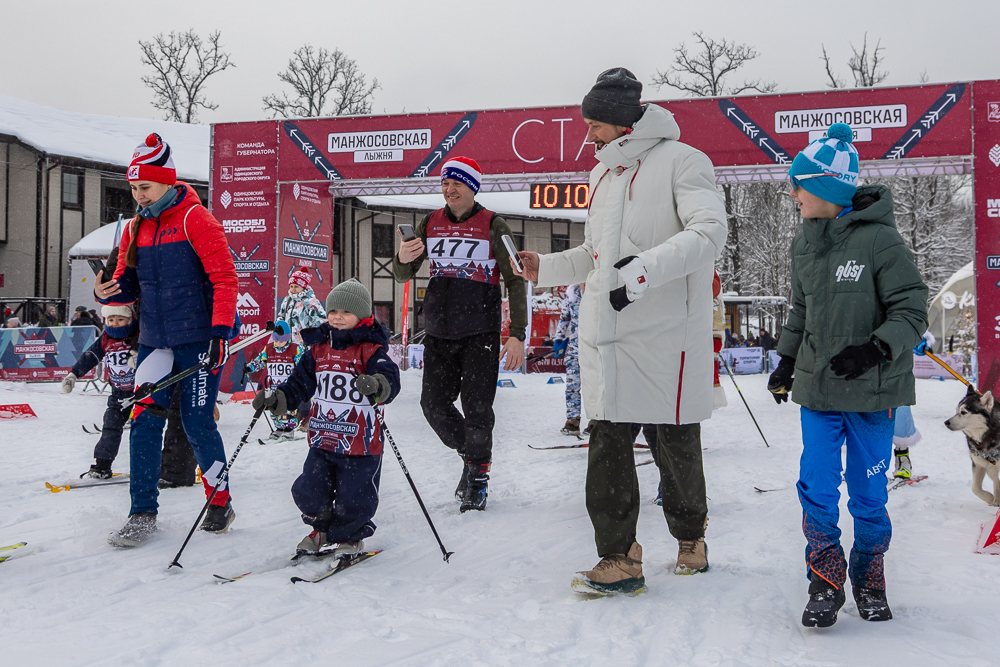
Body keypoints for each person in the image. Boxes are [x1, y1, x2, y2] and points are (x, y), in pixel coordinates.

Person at [512, 68, 728, 595]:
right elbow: (595, 256)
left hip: (664, 336)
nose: (588, 137)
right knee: (606, 444)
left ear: (625, 121)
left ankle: (689, 537)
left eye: (595, 126)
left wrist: (642, 270)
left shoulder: (684, 162)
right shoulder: (602, 178)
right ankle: (619, 556)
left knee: (675, 444)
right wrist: (547, 266)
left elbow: (708, 235)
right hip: (607, 335)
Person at [766, 123, 928, 627]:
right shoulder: (803, 245)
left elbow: (912, 310)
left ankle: (869, 570)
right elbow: (799, 311)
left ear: (827, 189)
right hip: (817, 388)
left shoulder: (881, 240)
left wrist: (874, 348)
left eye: (799, 184)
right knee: (816, 482)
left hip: (872, 391)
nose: (793, 193)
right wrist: (787, 360)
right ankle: (825, 574)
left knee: (868, 490)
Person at [95, 132, 240, 548]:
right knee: (142, 421)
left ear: (168, 182)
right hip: (155, 340)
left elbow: (225, 280)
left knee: (196, 422)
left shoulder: (196, 219)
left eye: (145, 187)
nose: (138, 196)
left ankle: (220, 499)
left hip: (196, 340)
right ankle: (142, 511)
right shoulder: (135, 227)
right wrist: (107, 290)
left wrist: (219, 334)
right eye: (134, 188)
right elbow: (127, 284)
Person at [393, 156, 527, 512]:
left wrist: (518, 333)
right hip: (438, 331)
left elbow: (516, 280)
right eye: (444, 184)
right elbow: (403, 275)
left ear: (472, 188)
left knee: (477, 407)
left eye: (457, 185)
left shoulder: (494, 225)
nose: (449, 190)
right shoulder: (430, 222)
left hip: (480, 333)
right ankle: (473, 456)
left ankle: (477, 480)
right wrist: (403, 257)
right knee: (432, 405)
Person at [253, 279, 400, 555]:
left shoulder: (370, 349)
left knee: (355, 497)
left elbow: (390, 378)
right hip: (323, 437)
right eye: (333, 311)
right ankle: (320, 529)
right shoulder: (318, 350)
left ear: (363, 316)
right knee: (309, 488)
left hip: (359, 441)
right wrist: (277, 399)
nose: (337, 317)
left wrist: (378, 385)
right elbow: (299, 384)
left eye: (345, 312)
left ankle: (350, 537)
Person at [61, 305, 139, 478]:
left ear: (130, 319)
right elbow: (90, 356)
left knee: (142, 430)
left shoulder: (139, 335)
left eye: (120, 319)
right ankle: (102, 465)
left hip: (141, 392)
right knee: (110, 427)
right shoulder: (106, 338)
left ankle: (146, 466)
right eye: (111, 320)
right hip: (118, 393)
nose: (115, 324)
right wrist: (74, 374)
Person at [245, 320, 304, 440]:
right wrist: (249, 367)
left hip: (289, 388)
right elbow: (260, 361)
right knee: (274, 408)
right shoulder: (269, 349)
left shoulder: (295, 349)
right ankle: (279, 428)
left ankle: (289, 429)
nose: (279, 343)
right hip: (273, 387)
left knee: (288, 409)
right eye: (276, 340)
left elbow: (302, 365)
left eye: (282, 340)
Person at [553, 284, 582, 435]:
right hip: (574, 347)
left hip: (594, 346)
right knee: (572, 385)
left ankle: (596, 421)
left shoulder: (598, 290)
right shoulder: (572, 294)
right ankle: (572, 420)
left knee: (595, 386)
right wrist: (559, 339)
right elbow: (564, 319)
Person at [276, 269, 326, 344]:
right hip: (289, 345)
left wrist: (313, 337)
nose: (293, 289)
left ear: (304, 287)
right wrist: (277, 327)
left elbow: (322, 323)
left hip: (306, 346)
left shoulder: (311, 302)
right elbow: (281, 316)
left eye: (296, 286)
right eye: (291, 286)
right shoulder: (287, 300)